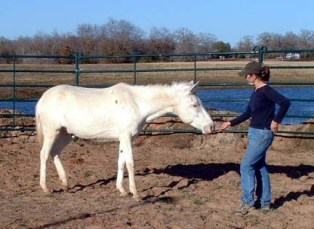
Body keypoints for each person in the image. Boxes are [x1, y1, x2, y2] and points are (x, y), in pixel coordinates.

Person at [219, 61, 291, 215]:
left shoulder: (266, 90)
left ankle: (247, 202)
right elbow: (247, 113)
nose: (246, 77)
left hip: (263, 134)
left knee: (245, 166)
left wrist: (276, 121)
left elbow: (285, 103)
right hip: (255, 132)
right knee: (259, 166)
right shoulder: (256, 92)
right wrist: (229, 123)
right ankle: (265, 202)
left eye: (247, 75)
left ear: (255, 75)